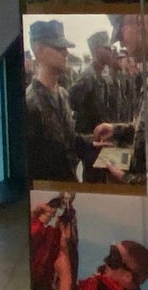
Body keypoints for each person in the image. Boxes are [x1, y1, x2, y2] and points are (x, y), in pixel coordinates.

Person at [92, 15, 148, 182]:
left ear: (139, 22)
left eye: (121, 32)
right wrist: (117, 130)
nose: (121, 42)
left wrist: (128, 180)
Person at [24, 19, 98, 181]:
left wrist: (93, 141)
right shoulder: (30, 104)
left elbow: (68, 140)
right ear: (40, 51)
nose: (66, 53)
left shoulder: (63, 94)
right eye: (59, 48)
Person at [67, 29, 119, 134]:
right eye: (107, 48)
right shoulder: (87, 77)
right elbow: (69, 102)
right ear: (97, 50)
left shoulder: (102, 77)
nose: (111, 52)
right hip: (87, 136)